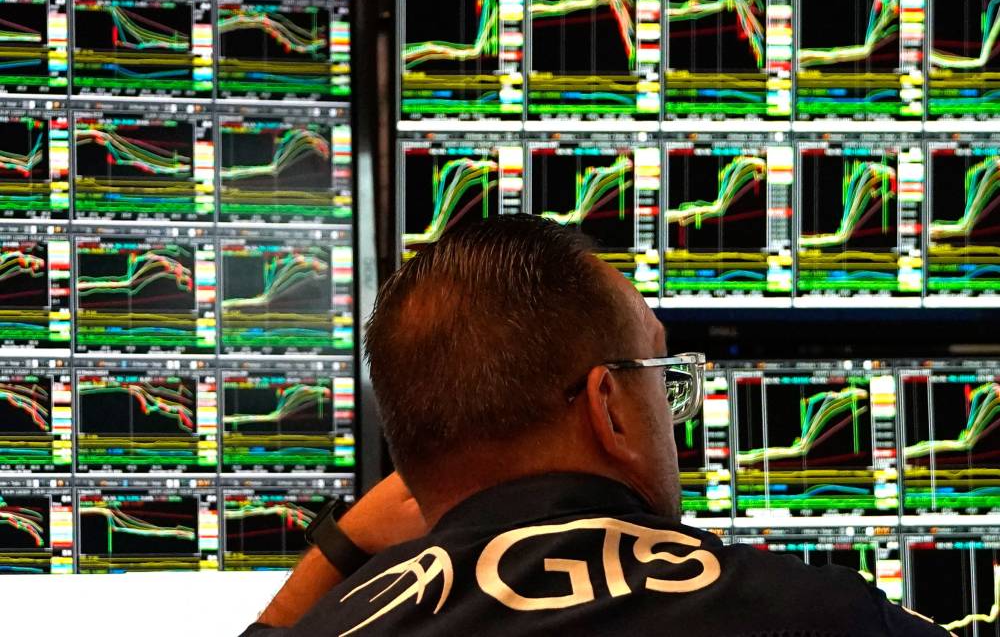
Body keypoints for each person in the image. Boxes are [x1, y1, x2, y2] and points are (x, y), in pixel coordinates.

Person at [242, 215, 948, 636]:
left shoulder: (340, 626)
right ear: (608, 404)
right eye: (659, 378)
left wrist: (343, 543)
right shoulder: (818, 614)